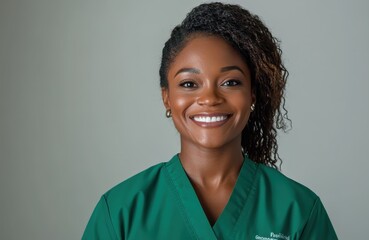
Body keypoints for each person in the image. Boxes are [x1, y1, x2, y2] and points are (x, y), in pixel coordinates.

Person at [82, 2, 337, 239]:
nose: (210, 98)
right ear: (167, 98)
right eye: (189, 84)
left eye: (230, 82)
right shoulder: (119, 212)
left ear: (252, 95)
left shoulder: (299, 210)